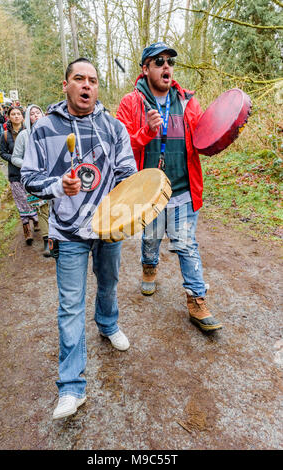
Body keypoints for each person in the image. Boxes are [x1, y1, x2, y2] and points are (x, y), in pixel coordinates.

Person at [21, 57, 137, 420]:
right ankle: (71, 388)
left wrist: (131, 202)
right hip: (68, 232)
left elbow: (127, 175)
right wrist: (58, 185)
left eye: (93, 80)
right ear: (66, 84)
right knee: (70, 306)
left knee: (109, 284)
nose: (87, 86)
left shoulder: (114, 128)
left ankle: (108, 323)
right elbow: (28, 178)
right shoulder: (43, 130)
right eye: (79, 79)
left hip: (108, 229)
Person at [116, 42, 222, 333]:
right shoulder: (130, 103)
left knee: (186, 245)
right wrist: (146, 131)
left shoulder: (188, 101)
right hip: (146, 192)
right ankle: (149, 266)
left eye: (170, 62)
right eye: (159, 61)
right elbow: (119, 144)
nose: (166, 66)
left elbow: (205, 138)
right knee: (151, 240)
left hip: (182, 190)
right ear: (145, 69)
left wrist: (223, 135)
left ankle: (196, 299)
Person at [11, 104, 50, 257]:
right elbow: (15, 158)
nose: (35, 115)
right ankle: (48, 241)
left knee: (54, 208)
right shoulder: (24, 136)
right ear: (28, 118)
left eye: (37, 112)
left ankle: (59, 237)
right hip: (34, 177)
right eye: (32, 114)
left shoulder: (50, 132)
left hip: (51, 175)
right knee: (41, 208)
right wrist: (29, 165)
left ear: (42, 114)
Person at [0, 106, 40, 244]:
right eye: (13, 114)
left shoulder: (29, 131)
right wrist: (15, 159)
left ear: (23, 117)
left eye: (18, 114)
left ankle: (36, 219)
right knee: (20, 201)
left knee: (32, 198)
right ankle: (26, 229)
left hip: (30, 172)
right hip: (15, 173)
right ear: (9, 117)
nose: (16, 116)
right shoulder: (5, 135)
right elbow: (2, 153)